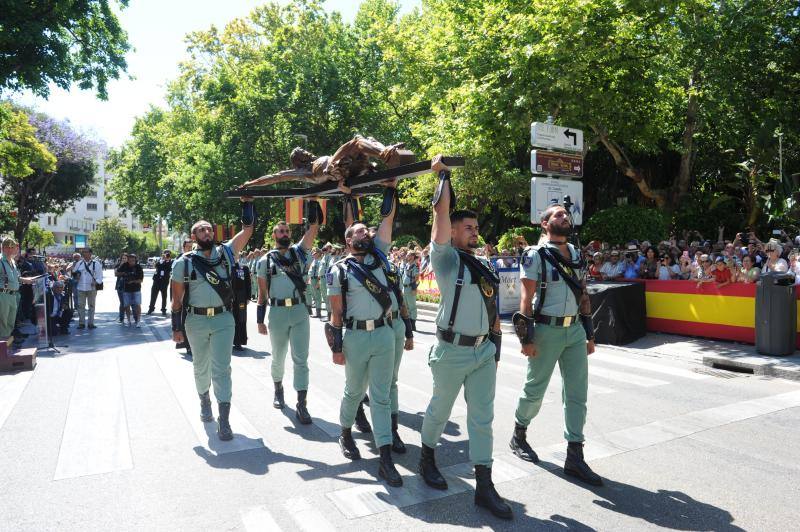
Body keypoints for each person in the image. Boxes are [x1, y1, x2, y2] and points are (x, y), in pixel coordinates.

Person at [414, 157, 511, 519]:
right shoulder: (446, 260)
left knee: (482, 418)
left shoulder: (482, 263)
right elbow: (440, 216)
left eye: (475, 227)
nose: (474, 231)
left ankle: (484, 485)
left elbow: (491, 306)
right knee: (440, 409)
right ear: (453, 232)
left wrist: (496, 344)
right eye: (467, 227)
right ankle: (427, 458)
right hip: (451, 350)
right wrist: (444, 177)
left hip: (483, 351)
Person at [510, 203, 603, 490]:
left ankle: (575, 455)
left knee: (577, 394)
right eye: (558, 214)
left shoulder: (576, 253)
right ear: (545, 224)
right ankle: (519, 433)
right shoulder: (534, 255)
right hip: (546, 330)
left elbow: (583, 294)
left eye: (566, 213)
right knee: (535, 389)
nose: (565, 216)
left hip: (574, 330)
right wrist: (526, 339)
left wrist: (588, 334)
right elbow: (526, 298)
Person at [325, 181, 411, 487]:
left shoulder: (380, 257)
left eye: (367, 231)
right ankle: (346, 432)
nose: (367, 233)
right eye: (360, 231)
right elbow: (336, 313)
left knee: (382, 395)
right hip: (356, 337)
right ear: (349, 240)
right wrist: (336, 347)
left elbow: (387, 220)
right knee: (353, 391)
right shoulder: (339, 270)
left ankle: (385, 459)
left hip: (385, 334)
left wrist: (391, 188)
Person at [171, 198, 255, 440]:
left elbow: (247, 230)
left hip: (223, 319)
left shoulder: (227, 252)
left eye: (209, 228)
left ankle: (225, 419)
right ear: (193, 235)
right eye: (201, 229)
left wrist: (247, 203)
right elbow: (176, 302)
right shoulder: (183, 263)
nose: (207, 232)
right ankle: (204, 399)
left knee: (222, 368)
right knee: (200, 366)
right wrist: (177, 329)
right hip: (195, 321)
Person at [256, 208, 320, 424]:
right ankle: (278, 388)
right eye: (280, 231)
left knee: (301, 359)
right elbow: (262, 294)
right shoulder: (265, 261)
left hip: (299, 310)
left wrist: (314, 205)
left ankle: (302, 404)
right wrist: (259, 320)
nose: (284, 234)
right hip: (277, 313)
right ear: (274, 236)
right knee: (278, 356)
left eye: (286, 231)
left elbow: (313, 231)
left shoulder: (299, 253)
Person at [1, 238, 34, 341]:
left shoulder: (12, 262)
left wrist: (26, 280)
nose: (10, 250)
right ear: (3, 248)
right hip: (3, 295)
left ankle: (6, 348)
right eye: (7, 247)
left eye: (12, 247)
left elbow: (16, 278)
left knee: (10, 323)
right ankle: (3, 348)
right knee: (3, 322)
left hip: (14, 295)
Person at [71, 247, 104, 330]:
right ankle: (81, 323)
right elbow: (74, 273)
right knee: (80, 306)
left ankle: (91, 323)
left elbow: (100, 277)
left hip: (91, 288)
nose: (84, 254)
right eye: (83, 252)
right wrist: (76, 277)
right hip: (81, 287)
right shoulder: (79, 263)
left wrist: (96, 282)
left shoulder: (96, 264)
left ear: (90, 253)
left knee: (91, 306)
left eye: (86, 252)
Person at [116, 254, 144, 327]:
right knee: (126, 305)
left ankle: (138, 321)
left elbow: (141, 280)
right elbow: (116, 273)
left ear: (135, 260)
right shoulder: (124, 265)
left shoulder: (138, 267)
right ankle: (128, 320)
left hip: (136, 289)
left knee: (137, 305)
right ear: (128, 260)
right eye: (130, 260)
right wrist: (124, 273)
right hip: (126, 289)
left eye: (133, 260)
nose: (131, 261)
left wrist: (133, 281)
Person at [232, 254, 251, 351]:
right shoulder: (225, 268)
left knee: (241, 319)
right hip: (229, 299)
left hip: (241, 299)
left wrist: (248, 297)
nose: (235, 256)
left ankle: (239, 341)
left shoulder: (244, 268)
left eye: (236, 254)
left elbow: (248, 283)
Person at [147, 250, 173, 315]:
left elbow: (169, 268)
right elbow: (156, 266)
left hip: (164, 281)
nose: (166, 255)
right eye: (165, 254)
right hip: (156, 280)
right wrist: (162, 260)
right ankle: (151, 309)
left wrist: (167, 260)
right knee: (153, 295)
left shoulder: (170, 261)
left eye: (168, 254)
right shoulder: (159, 260)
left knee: (164, 296)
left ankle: (163, 309)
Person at [402, 250, 419, 330]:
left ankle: (413, 324)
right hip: (404, 288)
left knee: (412, 306)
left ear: (412, 256)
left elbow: (416, 278)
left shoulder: (414, 266)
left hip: (410, 288)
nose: (407, 256)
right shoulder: (406, 265)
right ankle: (408, 323)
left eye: (408, 255)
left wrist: (414, 288)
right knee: (406, 306)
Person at [114, 252, 128, 323]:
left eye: (125, 258)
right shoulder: (118, 265)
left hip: (129, 285)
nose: (124, 259)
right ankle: (121, 318)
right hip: (120, 285)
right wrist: (123, 270)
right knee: (122, 302)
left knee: (129, 302)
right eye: (123, 258)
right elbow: (116, 273)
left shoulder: (129, 265)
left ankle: (131, 317)